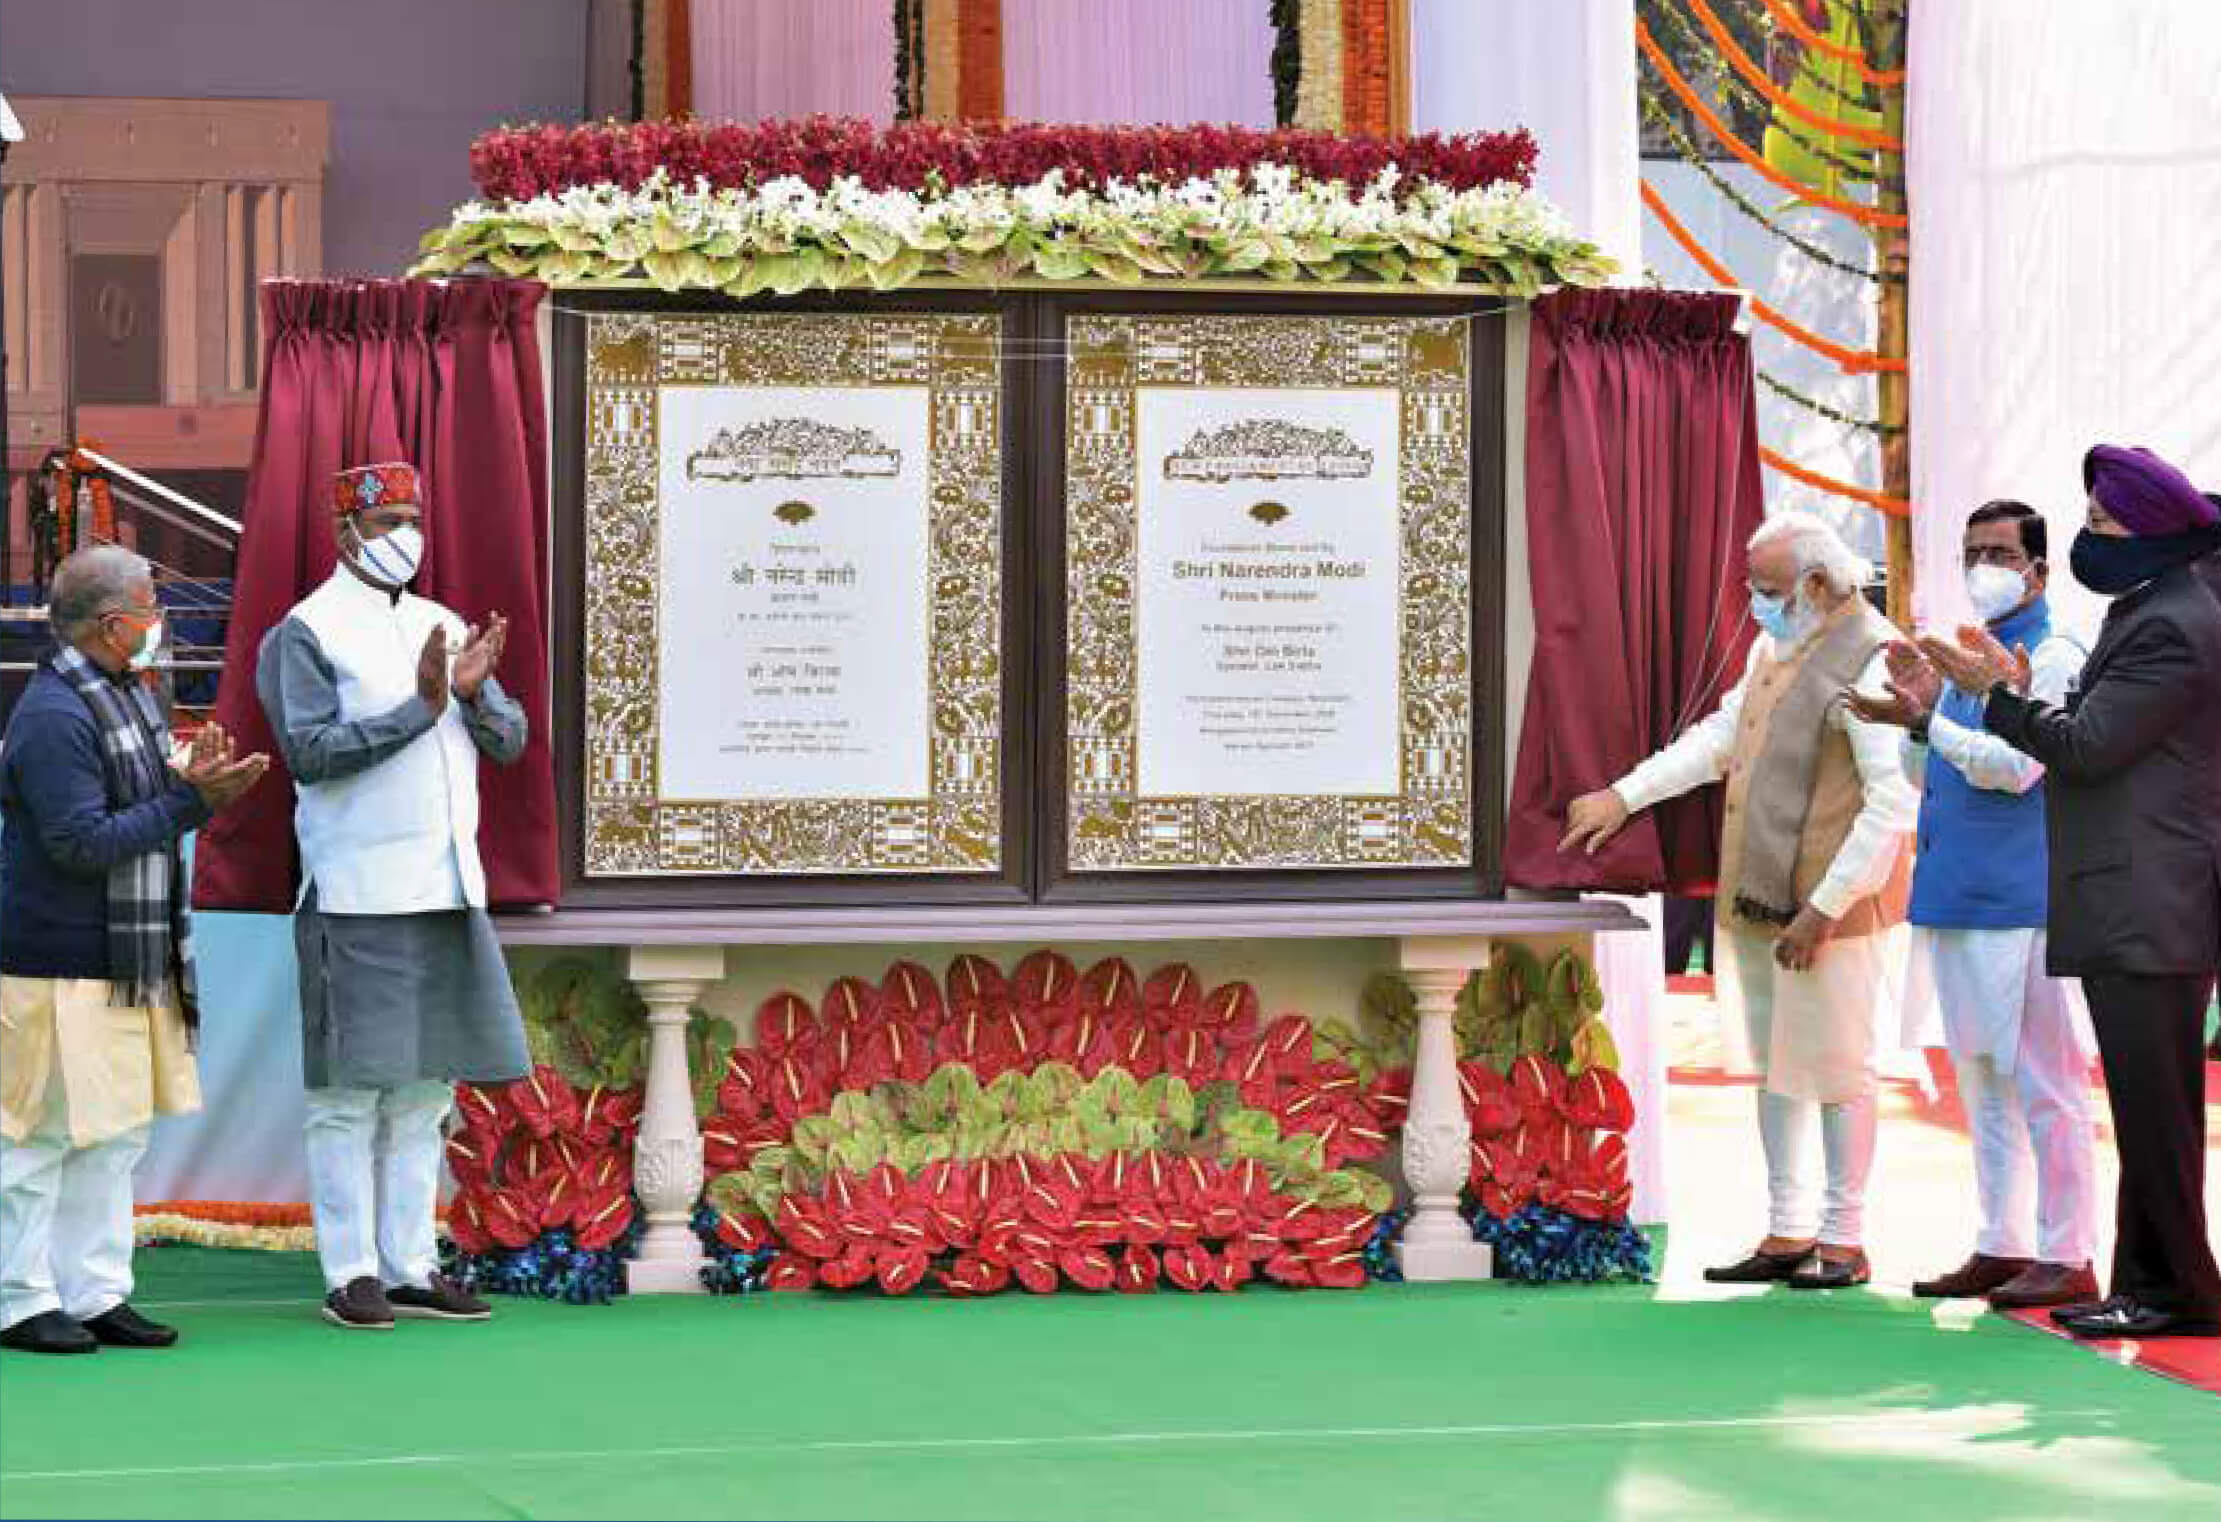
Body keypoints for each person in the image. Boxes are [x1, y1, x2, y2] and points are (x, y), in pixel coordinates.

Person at [1563, 511, 1917, 1289]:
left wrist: (1823, 909)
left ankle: (1843, 1237)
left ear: (1818, 585)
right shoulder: (1776, 645)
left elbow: (1890, 803)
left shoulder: (1874, 658)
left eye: (1768, 590)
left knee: (1837, 1071)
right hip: (1760, 897)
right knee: (1774, 1069)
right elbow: (1721, 737)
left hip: (1831, 911)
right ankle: (1787, 1229)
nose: (1755, 604)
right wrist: (1623, 796)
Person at [1917, 445, 2221, 1339]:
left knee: (2156, 1110)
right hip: (2139, 896)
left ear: (2151, 533)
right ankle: (2149, 1283)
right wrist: (2012, 692)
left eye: (2101, 526)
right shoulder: (2160, 605)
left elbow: (2087, 746)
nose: (2090, 540)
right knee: (2143, 1103)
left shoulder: (2172, 621)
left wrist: (1997, 699)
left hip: (2148, 898)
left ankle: (2182, 1293)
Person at [257, 462, 530, 1331]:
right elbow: (311, 752)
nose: (404, 535)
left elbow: (511, 741)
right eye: (385, 522)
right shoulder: (305, 632)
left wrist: (476, 692)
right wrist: (419, 708)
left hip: (447, 885)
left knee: (423, 1094)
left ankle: (413, 1263)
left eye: (414, 518)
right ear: (344, 532)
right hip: (357, 889)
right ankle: (350, 1272)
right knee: (348, 1095)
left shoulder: (440, 622)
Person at [1, 546, 266, 1355]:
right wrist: (193, 801)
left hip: (128, 954)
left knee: (114, 1135)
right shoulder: (53, 715)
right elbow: (79, 843)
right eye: (154, 609)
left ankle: (94, 1292)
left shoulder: (127, 693)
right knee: (38, 1136)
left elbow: (140, 802)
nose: (163, 623)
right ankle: (20, 1299)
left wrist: (193, 776)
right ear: (115, 626)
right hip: (54, 958)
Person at [1848, 502, 2099, 1309]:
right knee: (1982, 1082)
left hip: (2023, 902)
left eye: (1998, 552)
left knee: (2045, 1084)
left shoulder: (2051, 656)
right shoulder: (1966, 660)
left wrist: (1935, 719)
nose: (1982, 566)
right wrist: (1919, 724)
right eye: (1971, 553)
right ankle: (2003, 1241)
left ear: (2038, 569)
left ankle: (2068, 1250)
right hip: (1957, 896)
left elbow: (2018, 768)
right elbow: (1935, 777)